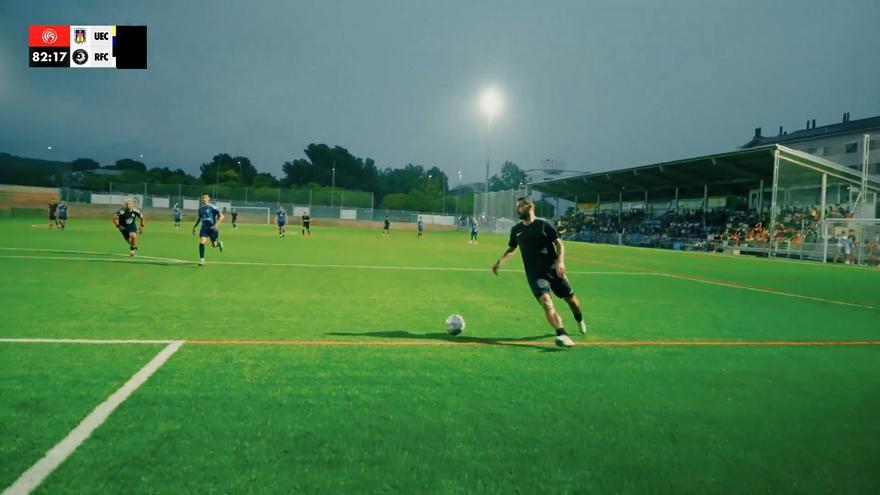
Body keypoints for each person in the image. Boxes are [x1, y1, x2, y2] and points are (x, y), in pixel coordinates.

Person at [491, 197, 587, 348]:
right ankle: (562, 334)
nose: (517, 209)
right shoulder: (516, 230)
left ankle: (579, 319)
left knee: (573, 303)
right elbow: (511, 248)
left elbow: (559, 243)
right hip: (535, 275)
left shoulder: (544, 225)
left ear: (529, 206)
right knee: (546, 303)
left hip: (554, 270)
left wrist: (561, 262)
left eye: (520, 206)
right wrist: (499, 262)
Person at [192, 194, 224, 266]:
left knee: (214, 245)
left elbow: (222, 216)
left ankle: (219, 244)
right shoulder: (200, 209)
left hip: (212, 228)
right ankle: (202, 260)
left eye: (205, 197)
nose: (204, 199)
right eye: (203, 198)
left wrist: (216, 225)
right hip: (204, 228)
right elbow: (199, 218)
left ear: (209, 199)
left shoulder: (213, 207)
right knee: (202, 242)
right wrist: (194, 227)